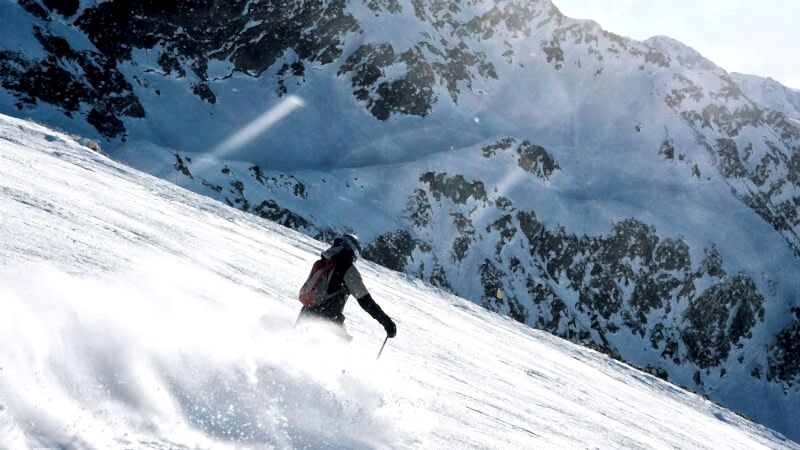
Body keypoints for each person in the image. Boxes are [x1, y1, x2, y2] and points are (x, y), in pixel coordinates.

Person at [297, 233, 397, 339]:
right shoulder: (346, 268)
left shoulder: (324, 262)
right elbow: (364, 300)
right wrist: (386, 321)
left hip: (305, 313)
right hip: (326, 320)